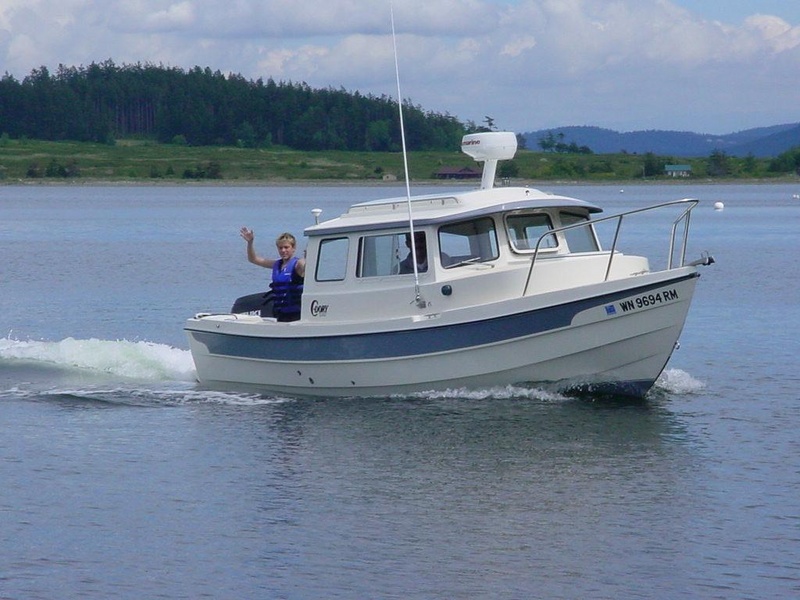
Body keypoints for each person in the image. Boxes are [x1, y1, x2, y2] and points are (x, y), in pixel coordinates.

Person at [240, 227, 305, 322]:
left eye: (286, 247)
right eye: (280, 248)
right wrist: (250, 243)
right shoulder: (276, 264)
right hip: (280, 314)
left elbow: (305, 266)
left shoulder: (297, 264)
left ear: (293, 248)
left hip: (296, 315)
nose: (283, 250)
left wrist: (309, 257)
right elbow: (253, 259)